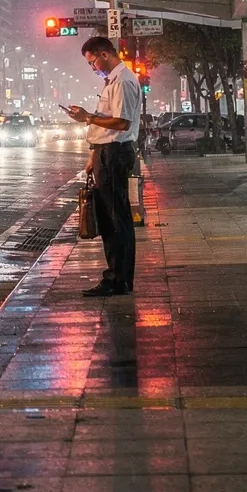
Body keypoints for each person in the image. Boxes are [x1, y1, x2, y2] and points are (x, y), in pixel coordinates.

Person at [64, 36, 140, 297]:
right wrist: (93, 153)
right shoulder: (113, 82)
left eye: (92, 62)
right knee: (110, 219)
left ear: (104, 54)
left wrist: (88, 117)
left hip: (115, 154)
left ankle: (119, 279)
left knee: (117, 219)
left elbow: (122, 123)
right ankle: (115, 276)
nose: (93, 67)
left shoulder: (123, 81)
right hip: (105, 153)